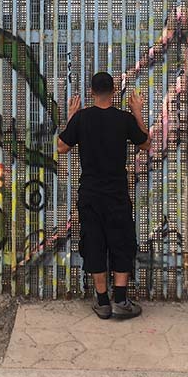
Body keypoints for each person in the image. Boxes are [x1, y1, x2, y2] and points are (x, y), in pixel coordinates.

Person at [57, 72, 151, 320]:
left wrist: (71, 118)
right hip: (117, 193)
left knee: (94, 243)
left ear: (91, 92)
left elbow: (61, 147)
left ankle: (102, 303)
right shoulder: (124, 119)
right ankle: (120, 300)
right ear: (114, 92)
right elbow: (146, 143)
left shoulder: (82, 118)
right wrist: (138, 112)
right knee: (122, 242)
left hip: (90, 194)